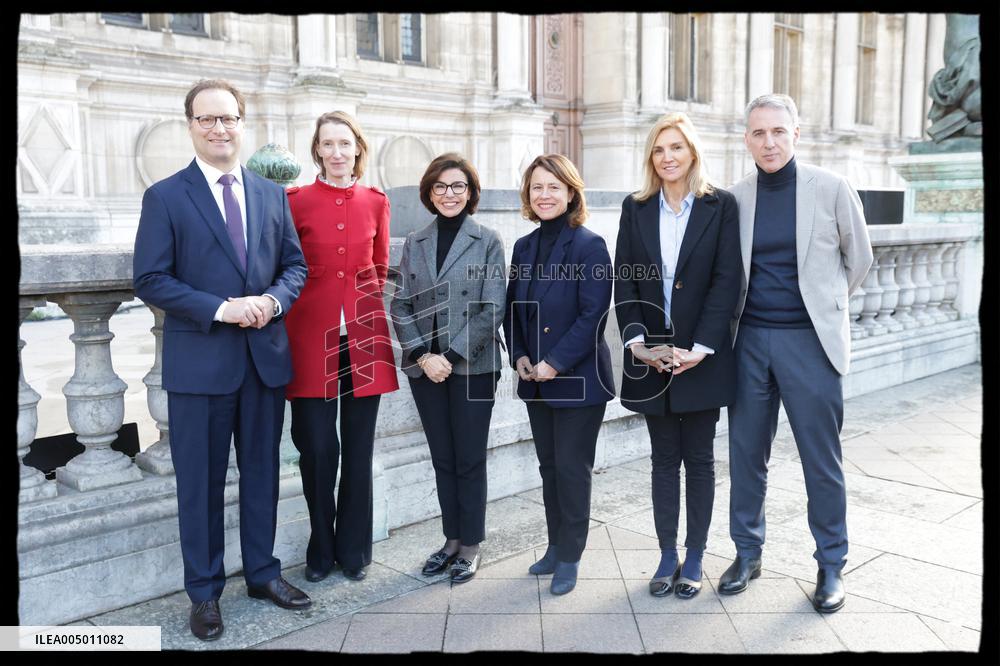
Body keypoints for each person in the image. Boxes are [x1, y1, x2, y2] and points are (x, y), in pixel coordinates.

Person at [133, 79, 311, 642]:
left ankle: (263, 573)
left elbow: (295, 267)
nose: (219, 128)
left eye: (228, 118)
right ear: (190, 125)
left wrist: (272, 301)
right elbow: (150, 278)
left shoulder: (271, 195)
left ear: (241, 122)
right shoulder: (165, 196)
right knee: (200, 486)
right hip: (200, 365)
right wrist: (221, 309)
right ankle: (205, 593)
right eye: (207, 118)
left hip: (263, 362)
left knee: (262, 476)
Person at [722, 94, 873, 613]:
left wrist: (823, 307)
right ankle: (747, 554)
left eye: (778, 132)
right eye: (759, 133)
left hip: (810, 343)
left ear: (796, 134)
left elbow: (859, 259)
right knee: (746, 456)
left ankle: (831, 565)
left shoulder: (831, 188)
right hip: (748, 343)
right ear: (747, 139)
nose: (769, 142)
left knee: (820, 461)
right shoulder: (734, 199)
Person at [613, 112, 741, 599]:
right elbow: (625, 278)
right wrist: (638, 344)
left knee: (700, 460)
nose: (667, 157)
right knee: (663, 459)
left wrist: (700, 348)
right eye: (659, 149)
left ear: (692, 153)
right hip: (652, 356)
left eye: (676, 147)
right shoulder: (636, 207)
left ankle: (696, 555)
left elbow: (727, 280)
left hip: (701, 354)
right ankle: (667, 554)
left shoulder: (719, 205)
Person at [283, 110, 399, 584]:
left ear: (357, 149)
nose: (336, 152)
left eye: (344, 143)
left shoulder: (376, 201)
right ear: (317, 150)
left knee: (357, 449)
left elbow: (380, 267)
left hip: (364, 339)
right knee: (316, 449)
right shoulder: (294, 201)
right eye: (327, 144)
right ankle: (321, 547)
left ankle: (354, 550)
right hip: (309, 337)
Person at [389, 153, 507, 584]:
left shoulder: (487, 240)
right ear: (429, 193)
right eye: (440, 186)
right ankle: (451, 540)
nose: (449, 194)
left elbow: (492, 307)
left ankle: (471, 545)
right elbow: (400, 304)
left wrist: (450, 357)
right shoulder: (416, 242)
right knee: (443, 458)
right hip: (426, 370)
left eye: (458, 186)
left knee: (469, 458)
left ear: (470, 192)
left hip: (473, 368)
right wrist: (424, 356)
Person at [503, 154, 615, 596]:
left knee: (571, 469)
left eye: (553, 187)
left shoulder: (590, 245)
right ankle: (554, 546)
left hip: (578, 380)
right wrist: (519, 355)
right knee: (549, 467)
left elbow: (593, 315)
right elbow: (514, 308)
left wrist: (554, 362)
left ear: (571, 192)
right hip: (535, 379)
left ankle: (570, 556)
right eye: (537, 187)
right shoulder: (523, 246)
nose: (544, 195)